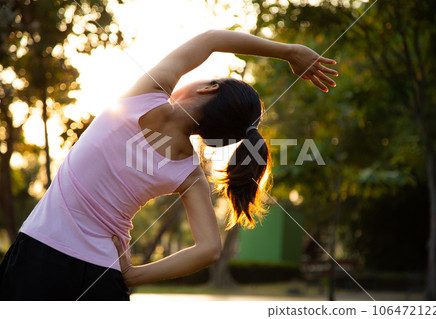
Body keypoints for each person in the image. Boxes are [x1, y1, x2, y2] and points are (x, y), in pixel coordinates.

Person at [0, 30, 337, 300]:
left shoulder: (145, 95)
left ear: (208, 87)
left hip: (39, 257)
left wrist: (291, 52)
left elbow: (211, 40)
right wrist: (134, 275)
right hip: (104, 278)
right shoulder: (189, 171)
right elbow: (209, 249)